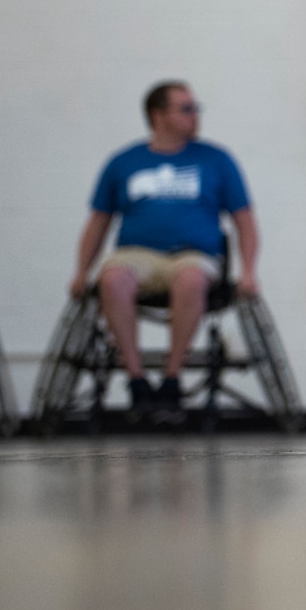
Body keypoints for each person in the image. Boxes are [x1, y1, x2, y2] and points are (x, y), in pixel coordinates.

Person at [70, 80, 259, 422]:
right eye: (186, 109)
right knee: (112, 280)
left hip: (194, 254)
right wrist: (82, 271)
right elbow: (98, 221)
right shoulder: (124, 162)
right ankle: (136, 380)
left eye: (195, 108)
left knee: (190, 279)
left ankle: (172, 378)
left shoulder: (215, 160)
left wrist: (248, 272)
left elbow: (244, 220)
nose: (195, 116)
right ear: (158, 116)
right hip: (137, 253)